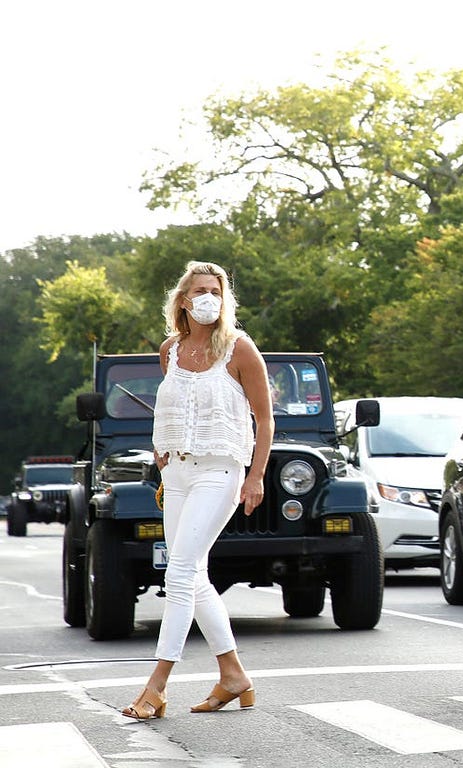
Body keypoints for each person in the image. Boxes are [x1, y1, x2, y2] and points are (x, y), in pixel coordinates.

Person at [122, 261, 274, 720]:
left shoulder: (239, 349)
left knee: (179, 572)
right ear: (183, 300)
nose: (209, 297)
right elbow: (171, 406)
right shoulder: (170, 350)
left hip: (220, 471)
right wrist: (160, 447)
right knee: (196, 575)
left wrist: (256, 476)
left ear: (224, 300)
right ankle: (233, 675)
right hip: (179, 474)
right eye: (200, 290)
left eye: (216, 290)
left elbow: (265, 420)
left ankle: (155, 687)